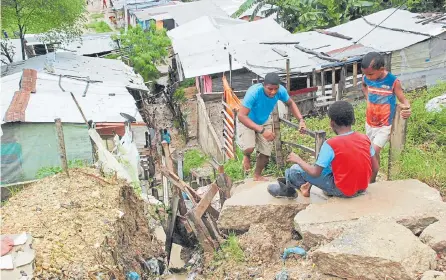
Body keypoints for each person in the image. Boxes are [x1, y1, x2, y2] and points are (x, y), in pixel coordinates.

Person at [268, 101, 379, 198]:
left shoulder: (331, 144)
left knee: (294, 170)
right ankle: (309, 187)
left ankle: (289, 191)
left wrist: (298, 160)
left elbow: (315, 173)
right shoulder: (364, 138)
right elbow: (375, 167)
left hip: (342, 191)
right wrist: (367, 184)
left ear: (332, 123)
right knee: (329, 164)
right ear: (353, 120)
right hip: (362, 188)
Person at [237, 72, 306, 181]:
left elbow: (290, 103)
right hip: (247, 120)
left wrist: (301, 120)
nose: (273, 92)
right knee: (249, 147)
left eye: (275, 89)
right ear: (263, 85)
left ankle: (257, 175)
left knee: (266, 152)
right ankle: (247, 156)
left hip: (264, 120)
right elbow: (241, 116)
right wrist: (262, 130)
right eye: (270, 89)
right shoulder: (253, 93)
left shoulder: (281, 91)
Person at [361, 52, 411, 182]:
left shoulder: (393, 82)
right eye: (365, 74)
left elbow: (403, 100)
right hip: (369, 123)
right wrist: (368, 99)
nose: (367, 77)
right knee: (374, 153)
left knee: (371, 151)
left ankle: (370, 181)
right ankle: (374, 175)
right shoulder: (367, 78)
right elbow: (364, 85)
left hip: (384, 126)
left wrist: (407, 109)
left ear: (381, 69)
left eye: (370, 74)